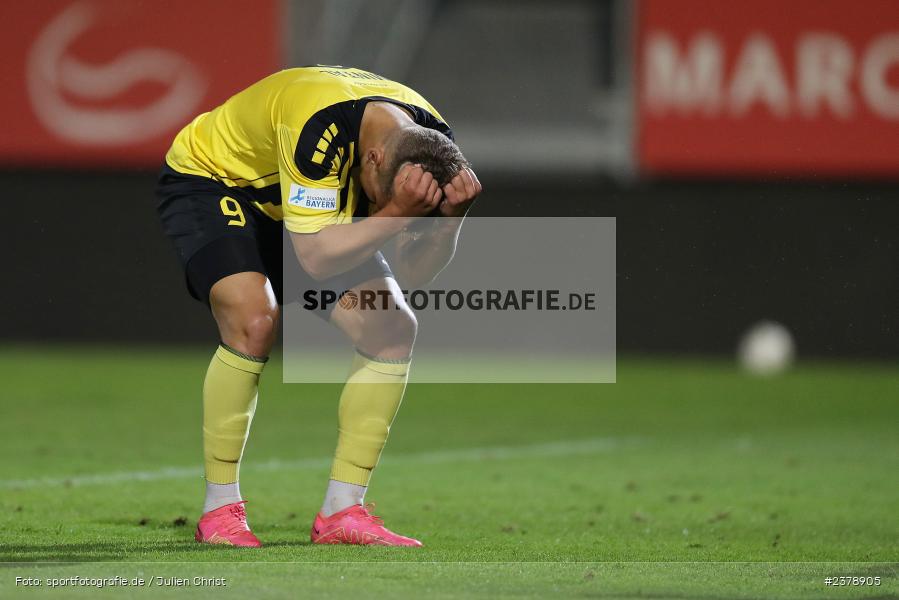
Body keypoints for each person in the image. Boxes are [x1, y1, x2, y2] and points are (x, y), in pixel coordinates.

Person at [155, 66, 481, 547]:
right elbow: (314, 256)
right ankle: (219, 512)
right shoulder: (318, 127)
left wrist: (451, 221)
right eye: (377, 196)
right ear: (372, 159)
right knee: (254, 319)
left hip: (307, 208)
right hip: (220, 183)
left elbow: (413, 275)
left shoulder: (427, 151)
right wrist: (393, 214)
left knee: (392, 329)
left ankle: (342, 513)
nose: (377, 205)